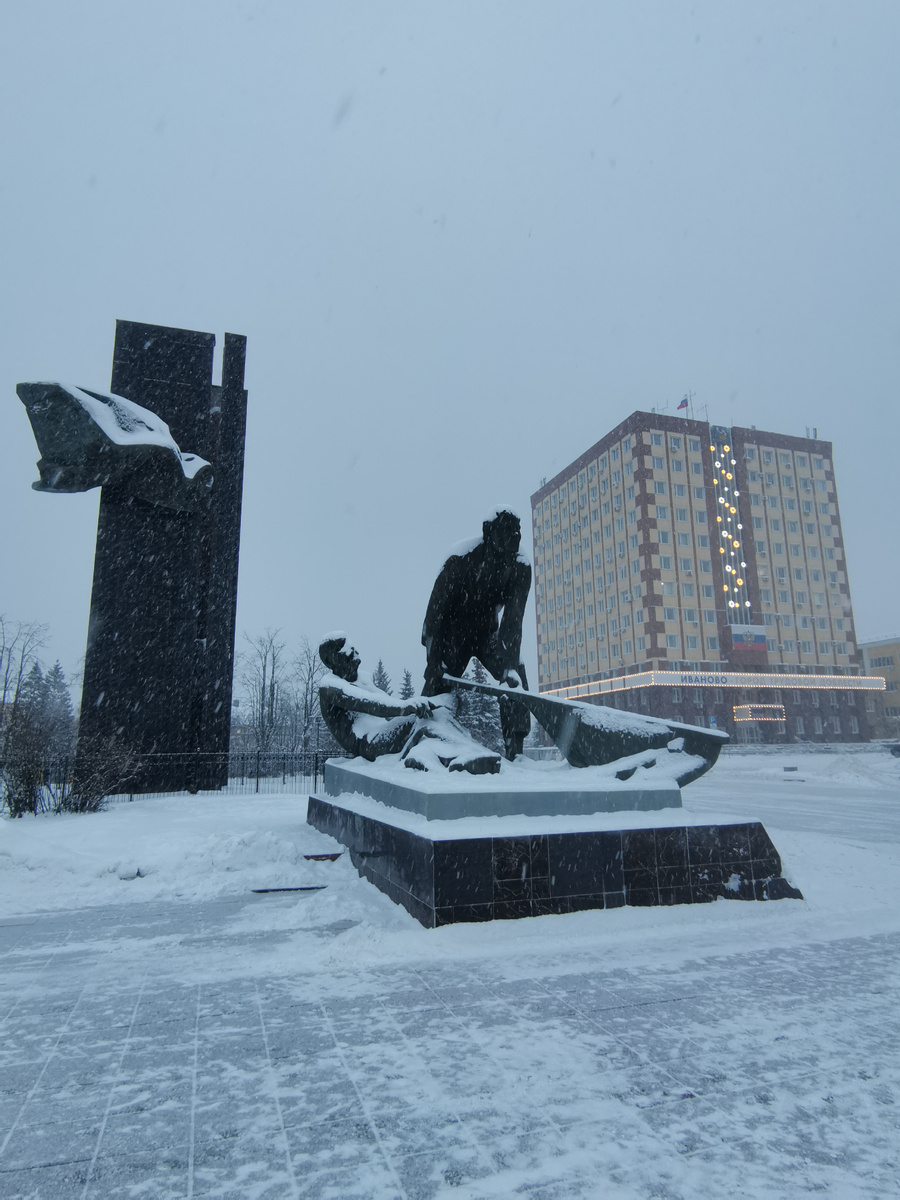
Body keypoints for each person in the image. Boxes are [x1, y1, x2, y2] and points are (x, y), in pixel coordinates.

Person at [421, 508, 531, 758]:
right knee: (437, 685)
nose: (515, 535)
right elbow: (434, 618)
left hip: (488, 634)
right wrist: (434, 660)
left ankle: (517, 754)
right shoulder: (460, 560)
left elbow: (513, 622)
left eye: (518, 530)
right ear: (488, 531)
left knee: (516, 681)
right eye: (507, 529)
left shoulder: (520, 566)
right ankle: (425, 741)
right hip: (453, 634)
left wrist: (510, 666)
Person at [318, 634, 500, 774]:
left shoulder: (362, 680)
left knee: (438, 713)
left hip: (381, 733)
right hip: (367, 744)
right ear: (330, 660)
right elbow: (370, 704)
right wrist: (407, 707)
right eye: (344, 648)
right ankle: (460, 754)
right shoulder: (330, 686)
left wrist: (425, 703)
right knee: (419, 720)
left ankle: (465, 753)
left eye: (351, 645)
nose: (352, 650)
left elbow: (387, 701)